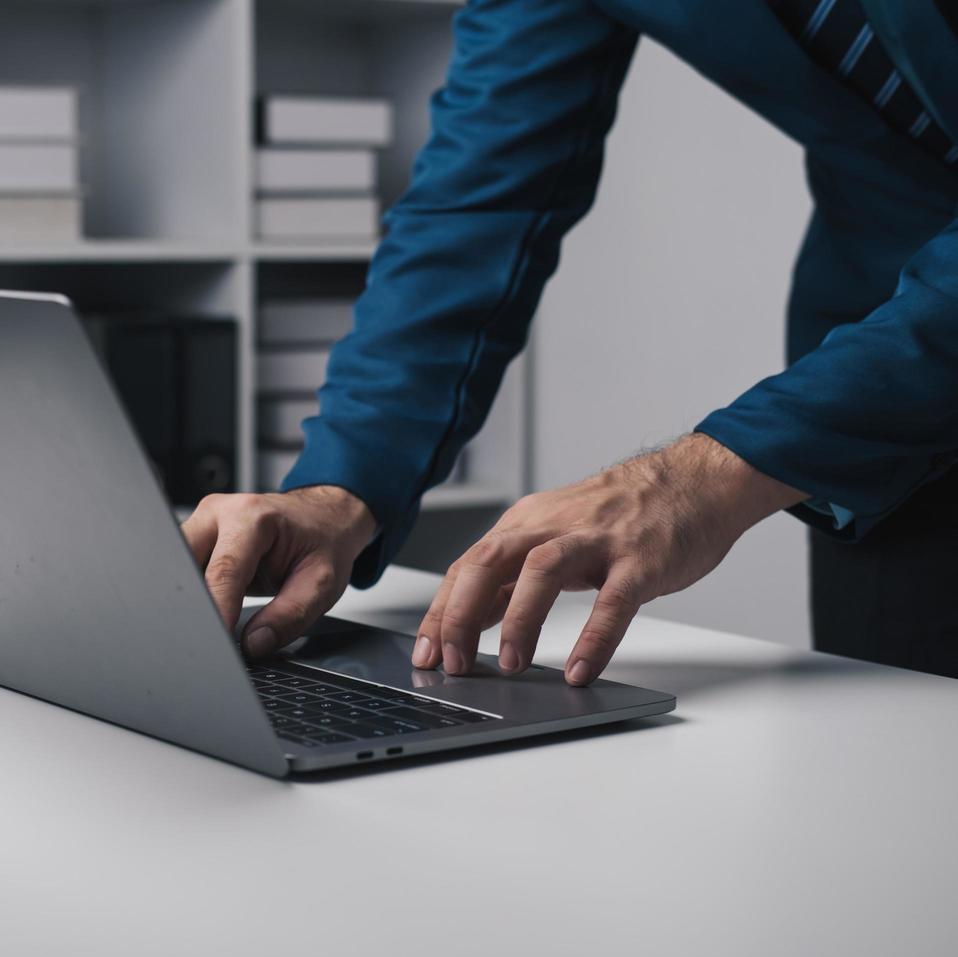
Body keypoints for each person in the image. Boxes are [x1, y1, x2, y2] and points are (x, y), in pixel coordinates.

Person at [183, 0, 958, 683]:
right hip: (885, 403)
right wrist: (338, 488)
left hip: (875, 384)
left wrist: (697, 479)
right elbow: (476, 209)